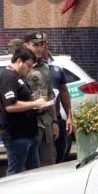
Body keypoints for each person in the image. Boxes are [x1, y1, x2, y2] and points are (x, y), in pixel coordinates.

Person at [0, 46, 48, 175]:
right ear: (19, 61)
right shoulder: (8, 77)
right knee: (16, 174)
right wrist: (34, 103)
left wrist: (36, 104)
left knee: (33, 174)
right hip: (16, 135)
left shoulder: (17, 77)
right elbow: (10, 106)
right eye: (29, 66)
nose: (30, 70)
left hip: (28, 133)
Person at [25, 32, 73, 164]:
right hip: (28, 123)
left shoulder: (45, 67)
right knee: (28, 166)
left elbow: (50, 96)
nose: (40, 48)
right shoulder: (21, 66)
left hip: (46, 123)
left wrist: (55, 121)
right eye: (35, 45)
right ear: (26, 45)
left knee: (49, 163)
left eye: (42, 44)